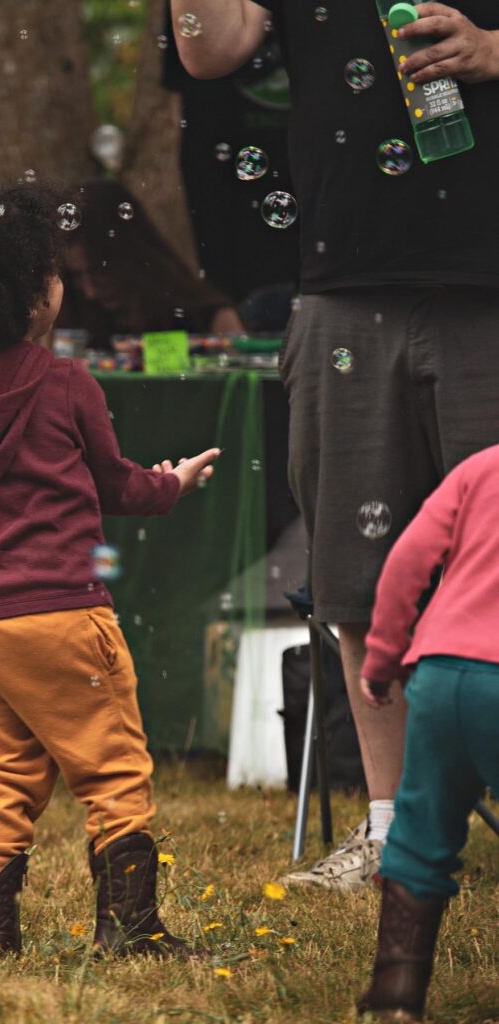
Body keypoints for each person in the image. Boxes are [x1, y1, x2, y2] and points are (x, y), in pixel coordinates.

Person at [174, 0, 499, 888]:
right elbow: (212, 50)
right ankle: (392, 831)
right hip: (343, 281)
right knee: (358, 578)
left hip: (490, 281)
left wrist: (491, 48)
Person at [0, 174, 221, 959]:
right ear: (31, 298)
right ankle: (129, 930)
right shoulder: (65, 382)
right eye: (51, 272)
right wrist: (174, 483)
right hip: (64, 614)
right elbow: (117, 486)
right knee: (114, 767)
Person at [356, 445, 499, 1021]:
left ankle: (395, 997)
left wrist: (381, 658)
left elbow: (407, 560)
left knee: (418, 834)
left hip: (440, 676)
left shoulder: (481, 467)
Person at [57, 178, 245, 349]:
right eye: (77, 277)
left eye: (99, 272)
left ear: (128, 255)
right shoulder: (76, 321)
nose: (90, 292)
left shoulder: (206, 317)